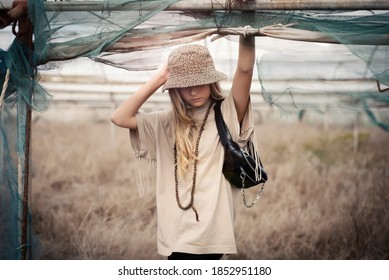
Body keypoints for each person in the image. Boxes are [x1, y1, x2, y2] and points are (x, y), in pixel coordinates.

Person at [111, 30, 256, 259]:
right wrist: (161, 77)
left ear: (210, 80)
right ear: (175, 88)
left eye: (199, 81)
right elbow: (120, 117)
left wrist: (247, 24)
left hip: (211, 233)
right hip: (175, 232)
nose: (193, 90)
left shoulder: (227, 113)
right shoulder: (165, 122)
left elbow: (245, 69)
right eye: (184, 84)